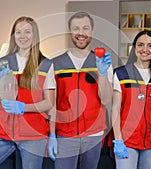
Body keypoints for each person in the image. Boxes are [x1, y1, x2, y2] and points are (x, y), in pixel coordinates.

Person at [0, 16, 54, 169]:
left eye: (27, 32)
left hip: (33, 136)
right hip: (3, 133)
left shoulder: (46, 65)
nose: (23, 36)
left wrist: (23, 107)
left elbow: (49, 102)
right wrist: (2, 83)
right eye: (18, 32)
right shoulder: (3, 62)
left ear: (35, 35)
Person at [46, 11, 113, 169]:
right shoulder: (54, 64)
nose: (81, 33)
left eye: (85, 28)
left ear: (92, 32)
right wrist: (52, 134)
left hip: (93, 135)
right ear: (70, 32)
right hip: (65, 136)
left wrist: (102, 74)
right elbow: (51, 104)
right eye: (76, 28)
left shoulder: (102, 62)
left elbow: (106, 99)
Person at [111, 30, 151, 169]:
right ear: (134, 48)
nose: (144, 49)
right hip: (126, 140)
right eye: (140, 45)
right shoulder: (120, 74)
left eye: (150, 46)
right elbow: (115, 108)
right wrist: (118, 140)